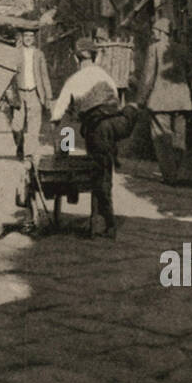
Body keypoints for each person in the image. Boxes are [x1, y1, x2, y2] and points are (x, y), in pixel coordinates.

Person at [51, 36, 139, 239]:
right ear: (96, 57)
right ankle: (103, 220)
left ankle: (106, 224)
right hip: (116, 125)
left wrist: (62, 132)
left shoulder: (73, 80)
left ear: (76, 59)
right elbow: (115, 101)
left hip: (97, 129)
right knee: (104, 172)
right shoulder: (105, 76)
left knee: (99, 177)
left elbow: (57, 114)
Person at [136, 9, 192, 184]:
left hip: (160, 102)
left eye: (154, 31)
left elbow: (148, 77)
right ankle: (181, 174)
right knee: (179, 139)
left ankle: (170, 176)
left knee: (162, 140)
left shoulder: (154, 49)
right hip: (182, 102)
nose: (153, 34)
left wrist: (141, 100)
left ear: (160, 32)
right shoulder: (183, 49)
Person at [9, 28, 53, 160]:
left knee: (34, 125)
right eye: (26, 35)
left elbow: (44, 75)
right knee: (16, 126)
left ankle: (30, 154)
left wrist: (48, 95)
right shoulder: (15, 53)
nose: (28, 38)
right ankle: (20, 146)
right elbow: (10, 74)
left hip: (35, 92)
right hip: (19, 93)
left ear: (34, 38)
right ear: (21, 37)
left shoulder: (39, 54)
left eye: (31, 36)